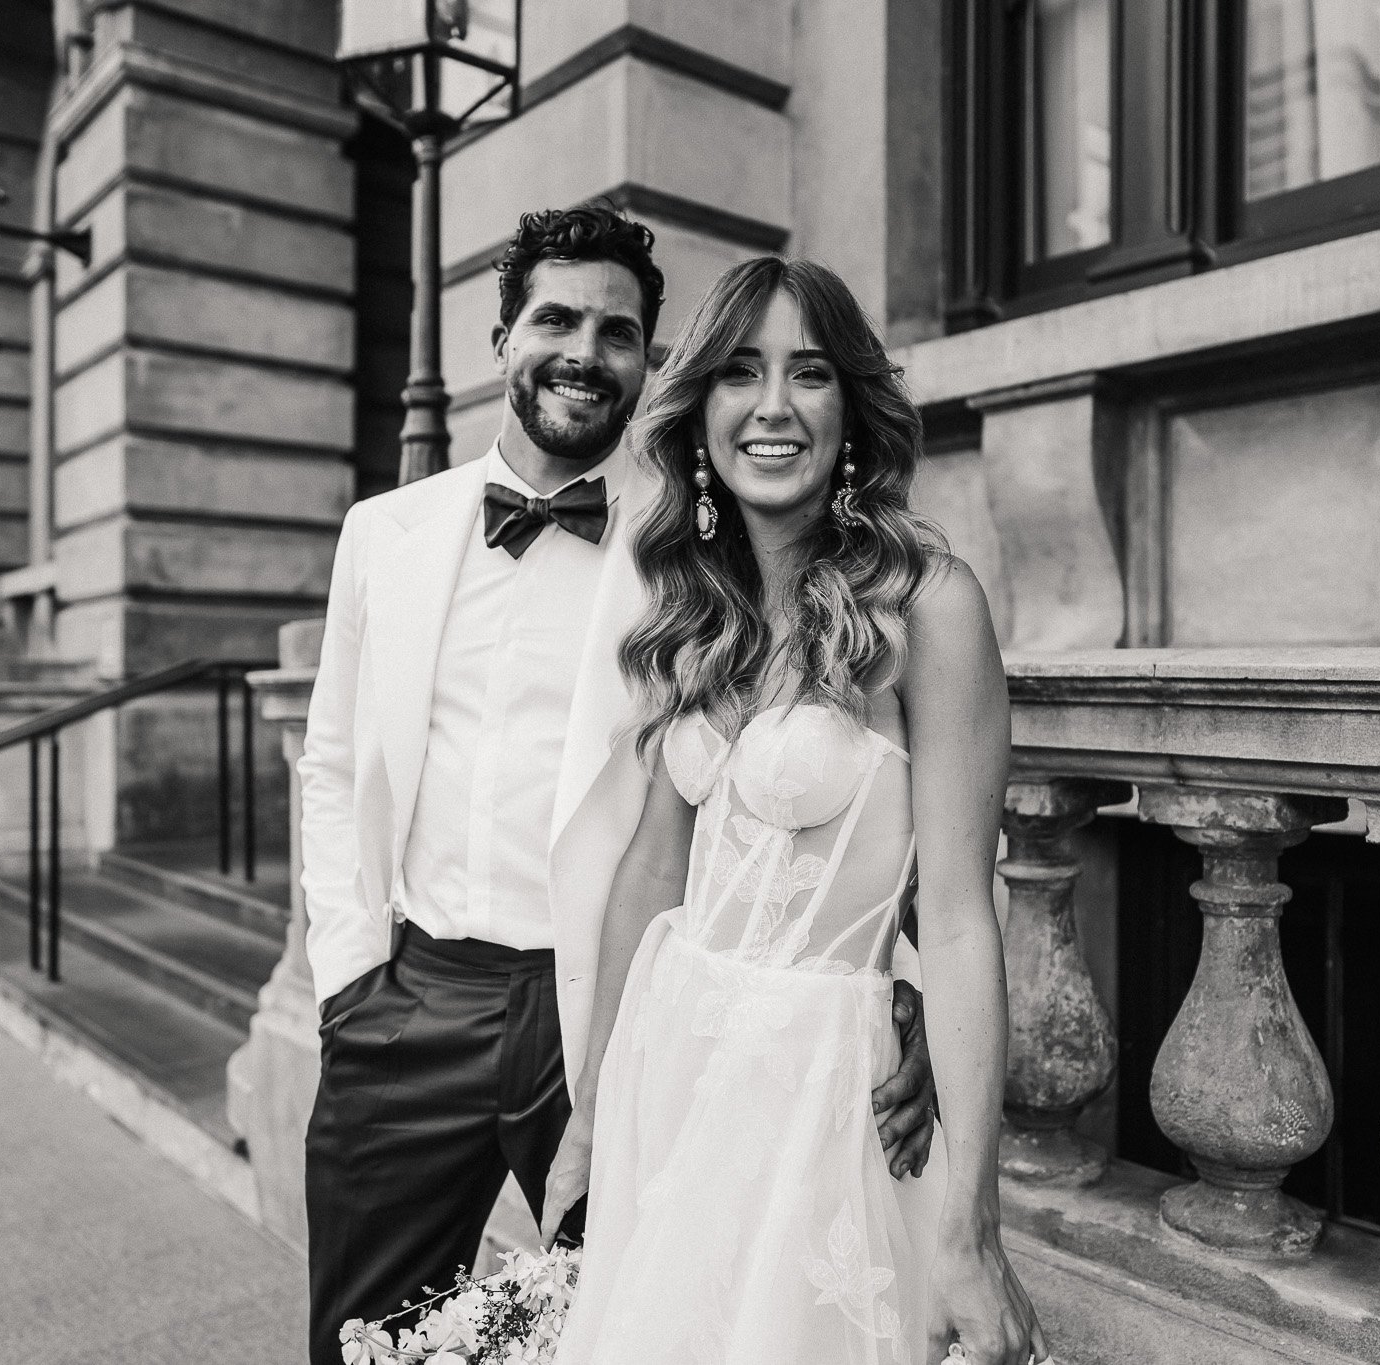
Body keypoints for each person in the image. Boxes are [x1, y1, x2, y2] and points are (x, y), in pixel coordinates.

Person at [296, 207, 940, 1364]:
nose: (583, 354)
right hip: (411, 999)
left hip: (617, 1012)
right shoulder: (381, 535)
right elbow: (335, 764)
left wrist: (903, 981)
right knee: (364, 1337)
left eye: (617, 333)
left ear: (649, 367)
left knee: (626, 1323)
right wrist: (349, 980)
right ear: (501, 338)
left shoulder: (699, 544)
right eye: (555, 320)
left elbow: (870, 763)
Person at [540, 257, 1046, 1365]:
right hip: (668, 1072)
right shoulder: (690, 612)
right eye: (738, 373)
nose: (770, 407)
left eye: (806, 374)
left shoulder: (928, 606)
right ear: (699, 411)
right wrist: (592, 1112)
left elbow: (959, 917)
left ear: (849, 411)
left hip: (820, 1101)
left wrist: (972, 1228)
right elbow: (650, 877)